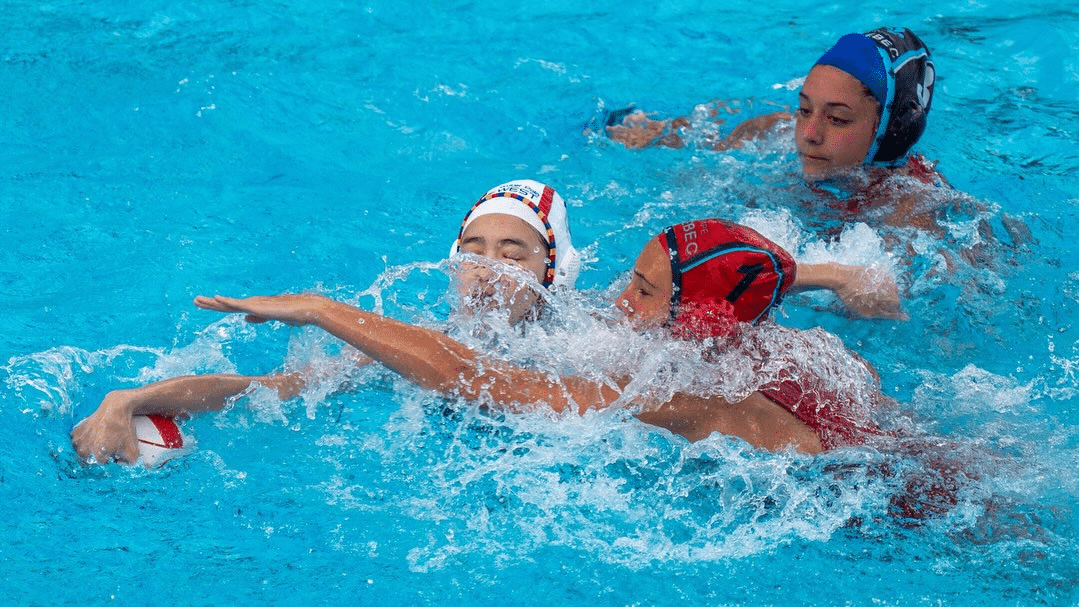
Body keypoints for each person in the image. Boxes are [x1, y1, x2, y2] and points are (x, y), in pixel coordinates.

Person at [191, 218, 886, 454]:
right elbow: (746, 283)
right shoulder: (806, 351)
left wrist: (320, 308)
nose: (619, 300)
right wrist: (828, 275)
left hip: (893, 520)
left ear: (698, 322)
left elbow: (472, 378)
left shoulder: (693, 403)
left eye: (643, 292)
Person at [71, 179, 582, 465]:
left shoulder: (586, 354)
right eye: (472, 253)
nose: (487, 271)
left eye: (512, 256)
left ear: (552, 274)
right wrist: (133, 399)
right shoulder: (415, 341)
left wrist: (319, 309)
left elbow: (468, 377)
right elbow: (275, 388)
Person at [604, 27, 947, 233]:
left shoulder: (912, 213)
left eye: (837, 119)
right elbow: (712, 140)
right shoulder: (777, 131)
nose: (808, 133)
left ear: (893, 132)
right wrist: (662, 135)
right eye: (805, 109)